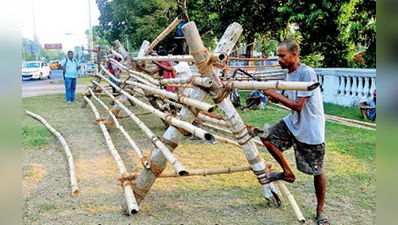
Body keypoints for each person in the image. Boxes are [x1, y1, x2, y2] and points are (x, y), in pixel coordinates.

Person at [260, 39, 329, 225]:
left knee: (317, 170)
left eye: (282, 55)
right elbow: (288, 99)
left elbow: (299, 106)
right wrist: (274, 97)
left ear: (294, 54)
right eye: (278, 55)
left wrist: (272, 93)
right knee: (267, 138)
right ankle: (288, 173)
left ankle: (320, 210)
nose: (279, 58)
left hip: (311, 127)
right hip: (293, 123)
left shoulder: (306, 72)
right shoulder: (288, 73)